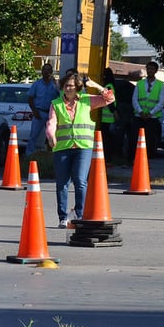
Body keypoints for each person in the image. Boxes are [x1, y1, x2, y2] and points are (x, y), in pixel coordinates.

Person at [46, 72, 116, 228]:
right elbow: (51, 122)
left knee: (80, 180)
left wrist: (96, 86)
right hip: (62, 148)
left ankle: (79, 213)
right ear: (62, 88)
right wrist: (51, 136)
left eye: (71, 85)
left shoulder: (86, 100)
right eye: (66, 86)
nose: (68, 88)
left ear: (77, 87)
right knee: (62, 184)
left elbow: (110, 98)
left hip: (83, 147)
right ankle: (63, 217)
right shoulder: (56, 103)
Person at [130, 61, 164, 159]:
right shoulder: (140, 83)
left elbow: (161, 102)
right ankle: (133, 159)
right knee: (134, 139)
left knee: (150, 140)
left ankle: (146, 160)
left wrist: (150, 113)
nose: (150, 70)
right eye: (148, 68)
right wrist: (140, 111)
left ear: (156, 71)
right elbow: (134, 99)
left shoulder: (160, 85)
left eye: (152, 69)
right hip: (139, 116)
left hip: (152, 118)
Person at [25, 63, 59, 155]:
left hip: (52, 114)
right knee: (33, 136)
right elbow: (30, 98)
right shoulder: (37, 84)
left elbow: (61, 97)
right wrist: (34, 111)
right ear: (42, 72)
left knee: (52, 135)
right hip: (39, 113)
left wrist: (56, 84)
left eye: (49, 70)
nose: (46, 72)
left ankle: (52, 155)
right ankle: (29, 155)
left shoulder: (55, 85)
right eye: (45, 70)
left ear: (51, 72)